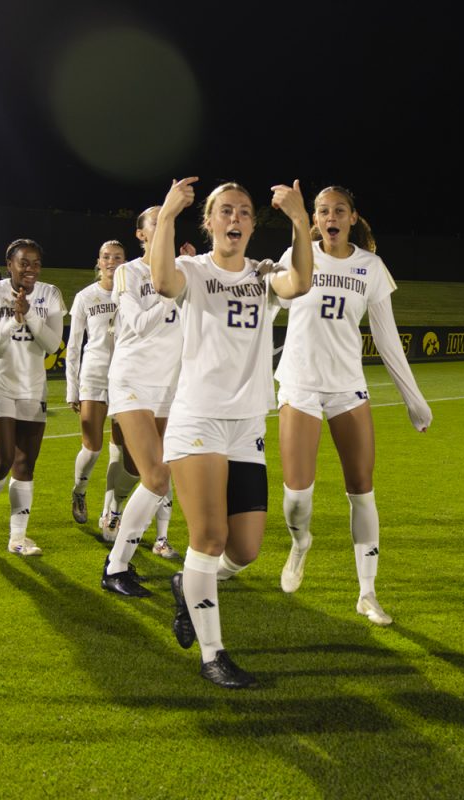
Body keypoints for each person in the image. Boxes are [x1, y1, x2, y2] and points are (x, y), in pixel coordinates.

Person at [154, 177, 313, 688]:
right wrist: (165, 216)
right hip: (198, 418)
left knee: (243, 550)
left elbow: (302, 284)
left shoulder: (265, 276)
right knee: (209, 536)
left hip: (247, 424)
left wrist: (300, 220)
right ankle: (212, 655)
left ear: (251, 224)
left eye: (244, 212)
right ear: (209, 222)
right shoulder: (193, 271)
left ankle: (189, 583)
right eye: (225, 211)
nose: (235, 219)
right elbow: (160, 283)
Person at [274, 186, 431, 626]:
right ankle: (301, 542)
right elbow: (270, 308)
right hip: (300, 383)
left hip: (347, 387)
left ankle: (367, 593)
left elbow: (386, 338)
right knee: (297, 498)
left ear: (353, 217)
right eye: (322, 211)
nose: (330, 216)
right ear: (313, 219)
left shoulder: (371, 267)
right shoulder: (295, 254)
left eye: (338, 210)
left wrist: (414, 400)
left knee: (362, 488)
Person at [97, 212, 195, 598]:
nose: (164, 224)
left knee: (157, 477)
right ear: (141, 234)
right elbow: (136, 324)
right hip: (132, 380)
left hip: (169, 385)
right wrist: (173, 288)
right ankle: (115, 565)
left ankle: (120, 559)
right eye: (156, 221)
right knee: (154, 476)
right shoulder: (130, 273)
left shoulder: (184, 269)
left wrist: (186, 273)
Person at [0, 239, 67, 555]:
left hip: (33, 386)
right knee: (4, 457)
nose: (31, 269)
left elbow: (53, 345)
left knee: (26, 463)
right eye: (24, 262)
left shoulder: (49, 294)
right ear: (10, 263)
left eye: (36, 263)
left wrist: (30, 316)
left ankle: (18, 538)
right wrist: (12, 321)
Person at [67, 240, 137, 542]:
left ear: (125, 261)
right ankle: (79, 491)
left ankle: (110, 512)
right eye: (106, 256)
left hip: (124, 378)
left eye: (117, 257)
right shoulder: (86, 296)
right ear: (99, 261)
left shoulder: (131, 295)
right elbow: (74, 345)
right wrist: (72, 387)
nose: (111, 261)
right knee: (92, 446)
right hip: (94, 376)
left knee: (119, 449)